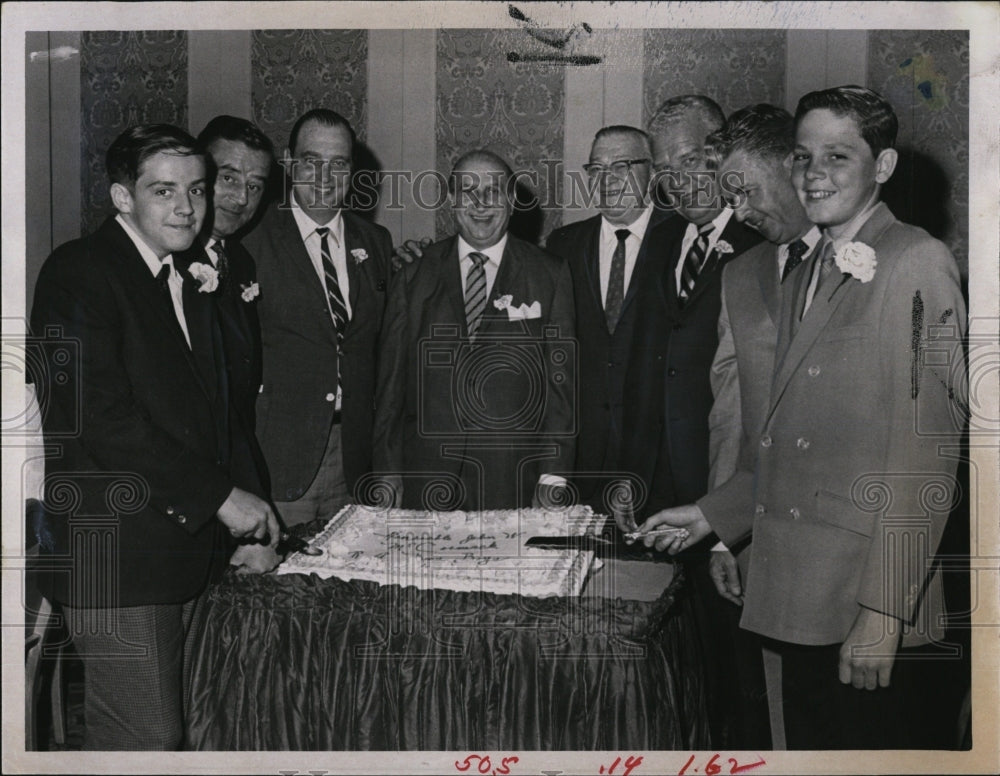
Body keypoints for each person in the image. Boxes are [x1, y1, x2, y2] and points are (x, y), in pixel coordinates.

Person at [639, 86, 968, 750]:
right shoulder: (804, 269)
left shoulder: (916, 260)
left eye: (838, 156)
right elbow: (782, 441)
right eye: (803, 155)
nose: (814, 174)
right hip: (804, 601)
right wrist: (712, 516)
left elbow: (926, 459)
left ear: (883, 168)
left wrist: (882, 614)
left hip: (868, 600)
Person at [30, 124, 280, 749]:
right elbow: (102, 419)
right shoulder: (78, 272)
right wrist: (223, 499)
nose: (187, 207)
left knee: (189, 729)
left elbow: (218, 417)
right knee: (143, 740)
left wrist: (241, 520)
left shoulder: (184, 275)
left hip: (183, 551)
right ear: (122, 198)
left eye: (196, 190)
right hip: (115, 557)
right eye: (163, 191)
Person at [618, 94, 763, 748]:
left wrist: (731, 518)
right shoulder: (665, 239)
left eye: (691, 158)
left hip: (730, 493)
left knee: (742, 673)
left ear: (721, 151)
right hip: (662, 492)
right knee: (683, 671)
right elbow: (648, 367)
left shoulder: (764, 240)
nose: (677, 178)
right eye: (664, 165)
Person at [697, 103, 822, 749]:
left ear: (791, 164)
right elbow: (730, 411)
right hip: (760, 537)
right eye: (729, 195)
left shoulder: (871, 258)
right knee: (776, 723)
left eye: (745, 189)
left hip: (847, 551)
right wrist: (724, 533)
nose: (738, 210)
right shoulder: (740, 275)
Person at [373, 149, 575, 511]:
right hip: (427, 476)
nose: (480, 203)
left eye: (493, 190)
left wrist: (553, 476)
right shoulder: (413, 276)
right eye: (468, 191)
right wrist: (387, 471)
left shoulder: (551, 274)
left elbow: (562, 388)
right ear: (452, 201)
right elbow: (391, 387)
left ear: (512, 200)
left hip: (512, 478)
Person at [242, 108, 393, 526]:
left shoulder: (375, 241)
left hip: (358, 462)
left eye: (339, 164)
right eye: (312, 162)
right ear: (289, 163)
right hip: (280, 462)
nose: (325, 177)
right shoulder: (250, 240)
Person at [544, 126, 673, 510]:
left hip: (658, 459)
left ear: (652, 171)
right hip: (582, 459)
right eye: (596, 169)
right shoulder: (564, 245)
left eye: (622, 165)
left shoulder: (680, 237)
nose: (607, 180)